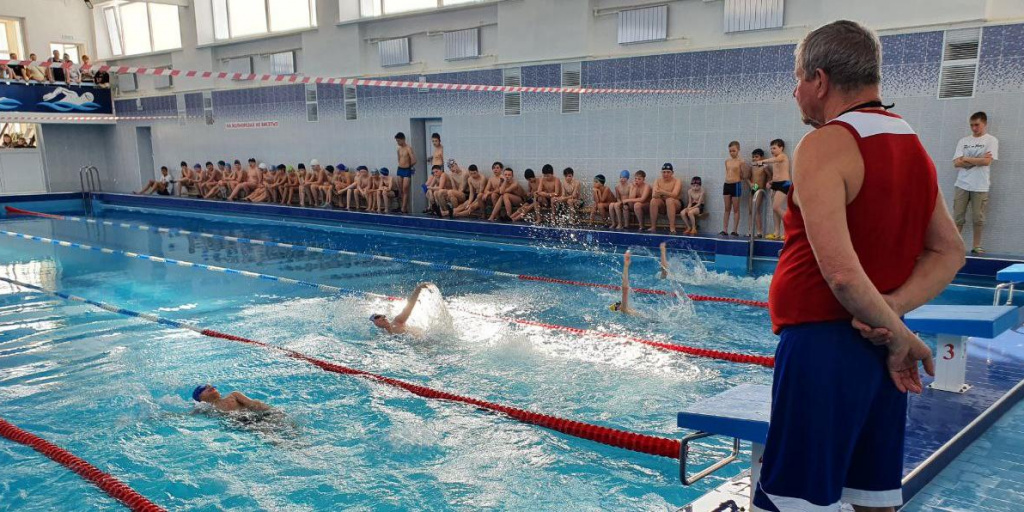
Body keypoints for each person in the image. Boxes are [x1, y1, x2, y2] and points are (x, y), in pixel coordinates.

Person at [755, 20, 965, 512]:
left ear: (821, 80)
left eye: (798, 78)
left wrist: (894, 330)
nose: (795, 91)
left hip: (822, 351)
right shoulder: (911, 143)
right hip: (881, 356)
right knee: (874, 499)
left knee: (793, 502)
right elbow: (948, 251)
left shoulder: (828, 143)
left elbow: (842, 275)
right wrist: (894, 318)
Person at [952, 111, 999, 254]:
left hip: (980, 185)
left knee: (978, 217)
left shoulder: (991, 140)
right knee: (958, 216)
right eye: (972, 125)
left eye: (977, 125)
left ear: (984, 124)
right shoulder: (963, 141)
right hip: (962, 184)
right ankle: (955, 246)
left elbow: (987, 161)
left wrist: (966, 159)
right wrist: (977, 160)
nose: (974, 128)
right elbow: (956, 163)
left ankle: (976, 245)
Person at [756, 139, 790, 240]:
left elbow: (775, 160)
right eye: (771, 148)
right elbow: (776, 173)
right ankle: (776, 232)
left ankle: (790, 228)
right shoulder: (775, 159)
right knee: (774, 210)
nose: (772, 150)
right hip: (775, 184)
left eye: (774, 148)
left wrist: (762, 161)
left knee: (776, 207)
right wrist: (770, 181)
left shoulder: (782, 156)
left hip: (784, 183)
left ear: (781, 148)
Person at [722, 142, 751, 236]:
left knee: (736, 209)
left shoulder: (741, 161)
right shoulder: (727, 161)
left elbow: (745, 175)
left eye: (734, 150)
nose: (732, 153)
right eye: (730, 151)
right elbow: (727, 172)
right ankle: (724, 230)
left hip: (736, 185)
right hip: (727, 185)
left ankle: (734, 230)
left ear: (738, 150)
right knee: (726, 208)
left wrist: (752, 185)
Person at [648, 163, 683, 234]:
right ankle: (653, 226)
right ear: (661, 173)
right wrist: (665, 194)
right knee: (653, 201)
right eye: (664, 172)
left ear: (672, 173)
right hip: (663, 205)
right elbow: (654, 195)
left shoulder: (677, 181)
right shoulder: (657, 181)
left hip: (676, 204)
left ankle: (672, 227)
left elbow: (675, 195)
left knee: (669, 200)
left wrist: (662, 192)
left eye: (668, 172)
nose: (665, 174)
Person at [192, 384, 271, 413]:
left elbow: (252, 403)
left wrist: (269, 410)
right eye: (204, 388)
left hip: (253, 416)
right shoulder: (206, 408)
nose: (209, 386)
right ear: (200, 398)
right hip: (237, 424)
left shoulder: (233, 395)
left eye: (210, 386)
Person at [748, 148, 770, 238]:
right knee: (750, 210)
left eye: (756, 157)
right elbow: (747, 177)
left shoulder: (764, 167)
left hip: (760, 188)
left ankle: (759, 231)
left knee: (756, 210)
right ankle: (750, 230)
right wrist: (750, 184)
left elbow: (769, 175)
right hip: (754, 187)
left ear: (762, 157)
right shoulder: (752, 167)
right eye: (753, 157)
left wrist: (768, 184)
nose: (754, 158)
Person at [395, 132, 416, 213]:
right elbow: (399, 159)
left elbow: (414, 160)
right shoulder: (398, 149)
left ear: (403, 139)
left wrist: (408, 166)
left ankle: (403, 208)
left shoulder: (408, 148)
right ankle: (404, 207)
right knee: (401, 190)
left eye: (399, 141)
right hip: (400, 169)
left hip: (407, 170)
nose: (398, 143)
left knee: (405, 189)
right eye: (397, 141)